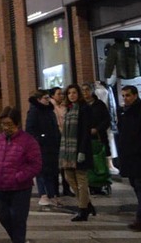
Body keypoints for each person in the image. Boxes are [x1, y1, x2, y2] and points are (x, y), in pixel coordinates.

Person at [0, 107, 41, 243]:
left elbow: (35, 164)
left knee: (18, 216)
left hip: (20, 186)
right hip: (1, 185)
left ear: (17, 123)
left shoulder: (28, 141)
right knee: (3, 216)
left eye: (9, 124)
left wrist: (20, 176)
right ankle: (18, 239)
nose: (6, 127)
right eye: (3, 124)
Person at [115, 85, 141, 231]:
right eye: (124, 96)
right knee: (138, 188)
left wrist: (135, 150)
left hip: (140, 157)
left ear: (135, 95)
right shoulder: (124, 113)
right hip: (129, 158)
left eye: (128, 95)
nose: (125, 98)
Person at [59, 84, 95, 222]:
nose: (71, 95)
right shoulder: (68, 110)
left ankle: (83, 210)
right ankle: (87, 203)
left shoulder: (84, 109)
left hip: (80, 149)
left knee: (81, 180)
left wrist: (82, 150)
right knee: (70, 179)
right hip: (67, 151)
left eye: (74, 92)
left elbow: (85, 131)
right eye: (69, 93)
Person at [25, 90, 60, 206]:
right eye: (45, 98)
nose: (48, 100)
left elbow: (55, 127)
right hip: (40, 146)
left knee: (50, 171)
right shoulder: (34, 112)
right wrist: (40, 138)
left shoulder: (50, 111)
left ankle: (52, 194)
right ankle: (43, 194)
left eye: (48, 98)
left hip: (51, 146)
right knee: (41, 171)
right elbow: (30, 130)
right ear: (39, 99)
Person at [82, 83, 112, 194]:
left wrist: (98, 129)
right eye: (83, 90)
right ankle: (92, 186)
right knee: (89, 164)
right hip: (86, 139)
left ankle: (102, 184)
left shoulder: (100, 105)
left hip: (99, 138)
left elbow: (107, 120)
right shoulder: (82, 106)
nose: (85, 92)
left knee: (100, 162)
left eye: (87, 90)